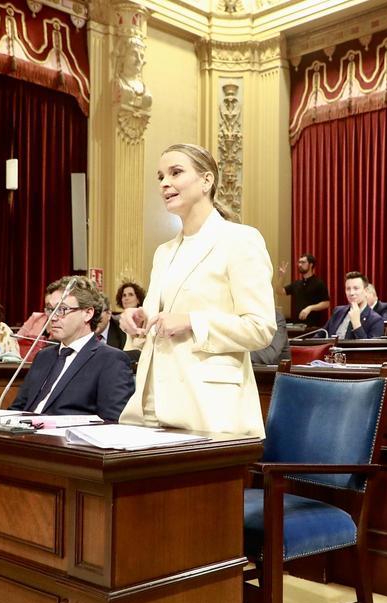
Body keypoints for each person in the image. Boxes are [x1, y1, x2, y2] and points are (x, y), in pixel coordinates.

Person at [118, 143, 276, 438]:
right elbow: (157, 323)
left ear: (207, 181)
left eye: (176, 172)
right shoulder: (163, 252)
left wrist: (192, 321)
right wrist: (137, 321)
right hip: (150, 405)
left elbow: (261, 328)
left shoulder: (240, 240)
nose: (165, 183)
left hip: (209, 409)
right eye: (160, 176)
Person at [9, 276, 134, 420]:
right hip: (24, 436)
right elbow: (17, 409)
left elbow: (112, 423)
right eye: (50, 309)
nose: (53, 317)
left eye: (62, 309)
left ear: (88, 313)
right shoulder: (43, 356)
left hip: (63, 439)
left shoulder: (110, 360)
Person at [324, 272, 386, 339]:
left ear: (366, 291)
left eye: (356, 288)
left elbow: (369, 348)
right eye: (348, 289)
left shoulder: (376, 320)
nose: (351, 293)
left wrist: (356, 324)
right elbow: (321, 334)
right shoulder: (338, 311)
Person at [278, 254, 330, 327]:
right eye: (299, 262)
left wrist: (310, 308)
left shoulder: (319, 283)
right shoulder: (296, 284)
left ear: (311, 265)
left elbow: (326, 303)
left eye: (303, 262)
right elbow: (279, 291)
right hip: (296, 326)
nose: (299, 265)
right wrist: (282, 277)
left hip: (313, 327)